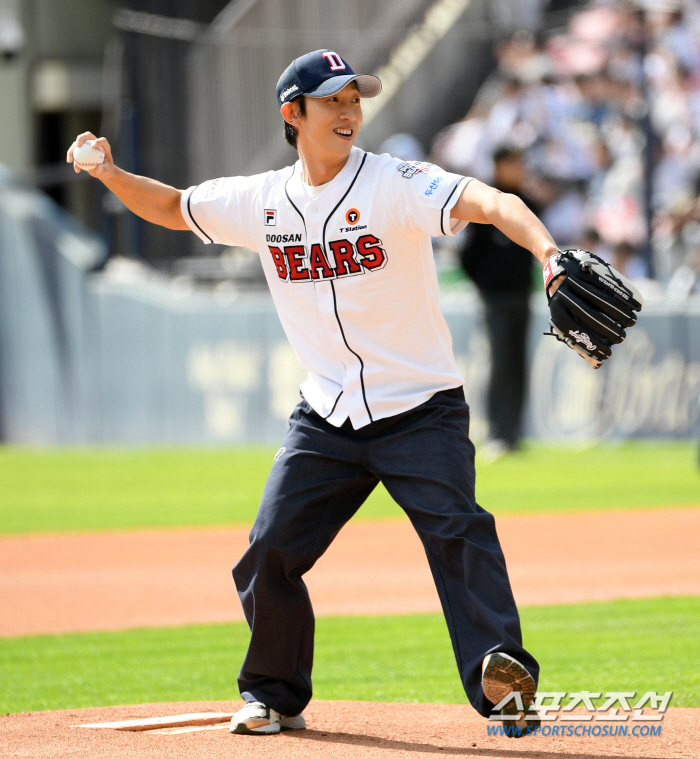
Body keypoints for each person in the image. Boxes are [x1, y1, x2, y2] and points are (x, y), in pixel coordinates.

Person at [68, 48, 559, 740]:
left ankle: (502, 682)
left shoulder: (394, 182)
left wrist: (549, 254)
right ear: (292, 114)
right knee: (268, 550)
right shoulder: (264, 201)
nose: (349, 110)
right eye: (332, 100)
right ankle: (272, 691)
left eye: (355, 99)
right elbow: (176, 207)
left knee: (459, 529)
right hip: (327, 415)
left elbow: (491, 201)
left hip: (420, 407)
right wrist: (108, 172)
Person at [459, 147, 540, 459]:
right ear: (498, 165)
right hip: (495, 297)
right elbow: (468, 255)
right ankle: (497, 432)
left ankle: (514, 431)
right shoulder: (485, 202)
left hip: (521, 293)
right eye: (513, 162)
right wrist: (484, 286)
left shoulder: (528, 203)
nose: (519, 168)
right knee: (500, 363)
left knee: (518, 363)